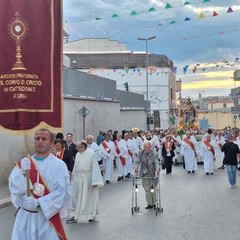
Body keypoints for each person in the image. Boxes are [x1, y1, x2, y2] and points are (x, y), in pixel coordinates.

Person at [8, 128, 70, 240]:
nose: (40, 141)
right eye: (37, 138)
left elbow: (61, 193)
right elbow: (14, 189)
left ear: (51, 143)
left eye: (44, 139)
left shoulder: (59, 165)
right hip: (24, 219)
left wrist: (38, 203)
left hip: (46, 219)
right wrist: (21, 173)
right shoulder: (24, 163)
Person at [66, 141, 104, 224]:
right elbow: (75, 167)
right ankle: (73, 215)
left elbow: (95, 167)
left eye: (78, 147)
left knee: (89, 198)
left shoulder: (91, 154)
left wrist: (95, 181)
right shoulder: (78, 154)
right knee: (75, 197)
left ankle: (91, 215)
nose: (76, 148)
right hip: (78, 178)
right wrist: (73, 179)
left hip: (88, 179)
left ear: (83, 147)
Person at [134, 142, 160, 209]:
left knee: (153, 188)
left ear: (151, 147)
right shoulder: (141, 153)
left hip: (152, 173)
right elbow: (137, 161)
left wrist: (157, 169)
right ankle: (149, 204)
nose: (147, 149)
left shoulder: (154, 154)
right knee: (147, 189)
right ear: (144, 147)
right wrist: (136, 168)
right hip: (144, 173)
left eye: (148, 147)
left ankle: (154, 203)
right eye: (146, 148)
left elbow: (156, 162)